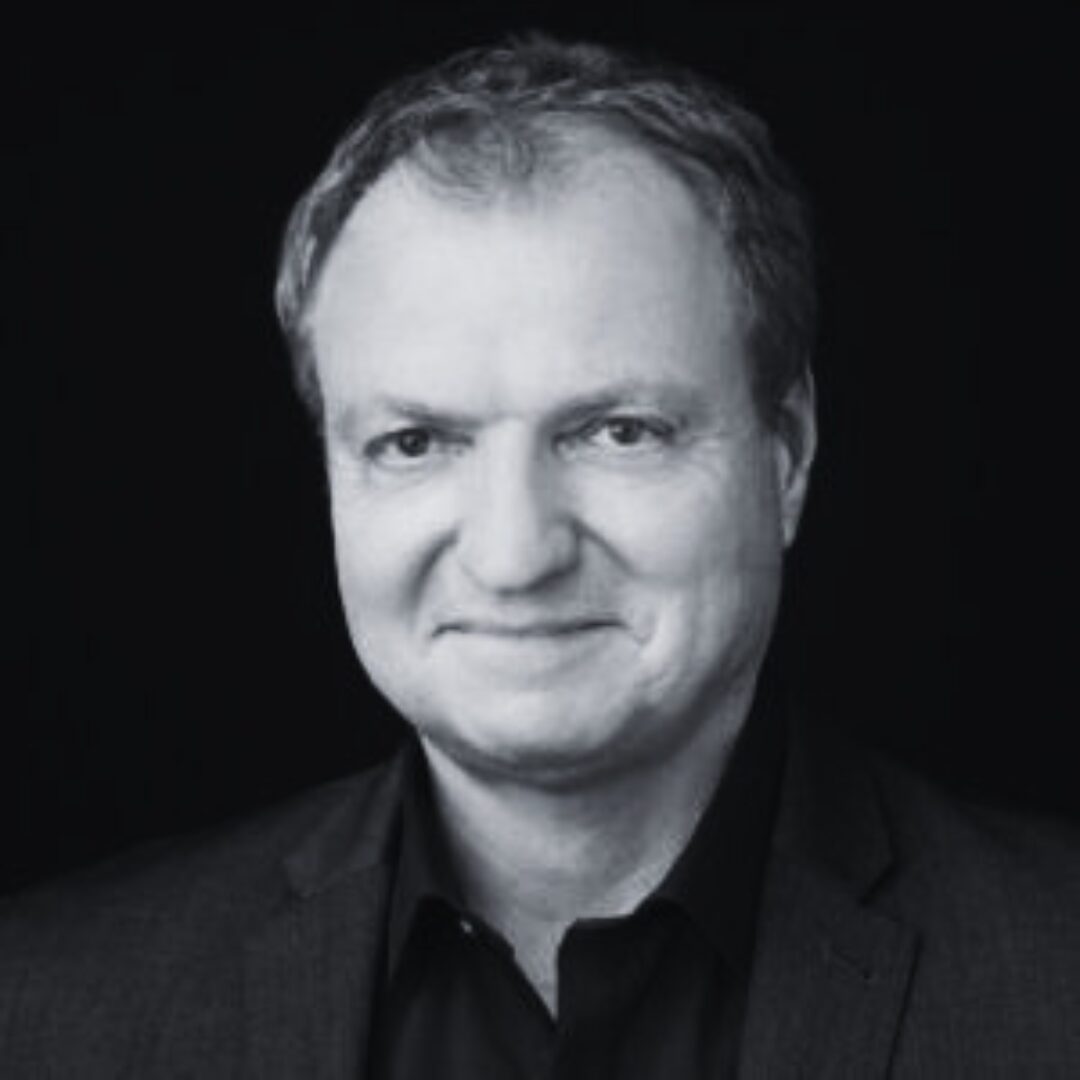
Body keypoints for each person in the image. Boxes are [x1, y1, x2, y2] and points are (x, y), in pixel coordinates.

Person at [2, 33, 1077, 1079]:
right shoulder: (45, 1009)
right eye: (416, 443)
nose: (515, 555)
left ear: (786, 453)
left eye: (618, 432)